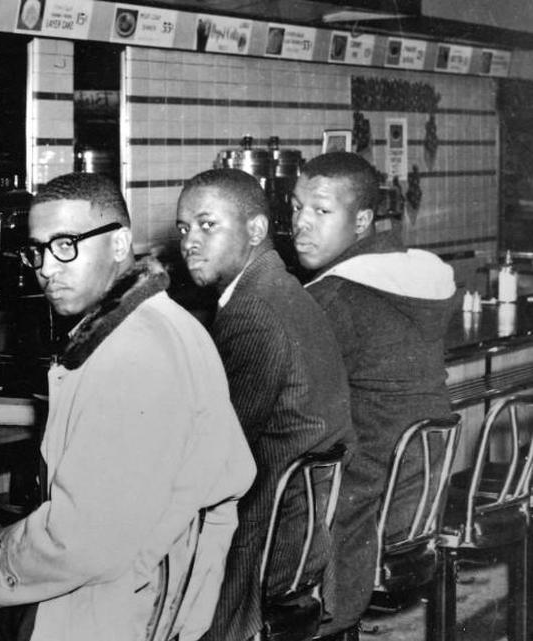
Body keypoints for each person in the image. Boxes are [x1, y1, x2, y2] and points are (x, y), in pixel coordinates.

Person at [0, 172, 256, 641]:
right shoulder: (166, 321)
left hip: (113, 612)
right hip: (154, 598)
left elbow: (82, 545)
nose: (48, 268)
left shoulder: (129, 354)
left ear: (119, 245)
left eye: (67, 244)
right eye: (37, 250)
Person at [176, 168, 354, 641]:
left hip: (262, 546)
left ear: (255, 229)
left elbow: (217, 453)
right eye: (184, 228)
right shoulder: (281, 289)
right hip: (302, 535)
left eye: (207, 225)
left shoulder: (252, 311)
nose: (190, 241)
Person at [291, 152, 456, 640]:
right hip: (413, 498)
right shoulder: (406, 279)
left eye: (321, 212)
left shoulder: (335, 297)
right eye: (297, 207)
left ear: (361, 220)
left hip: (362, 513)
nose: (301, 224)